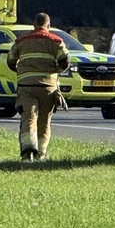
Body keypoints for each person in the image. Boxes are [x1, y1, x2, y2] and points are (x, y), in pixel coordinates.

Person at [6, 12, 70, 162]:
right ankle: (41, 154)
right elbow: (64, 60)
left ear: (34, 25)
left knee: (28, 117)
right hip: (48, 88)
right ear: (48, 25)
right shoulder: (56, 41)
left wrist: (22, 71)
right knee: (44, 120)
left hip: (26, 86)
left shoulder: (21, 41)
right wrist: (56, 72)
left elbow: (10, 60)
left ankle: (28, 151)